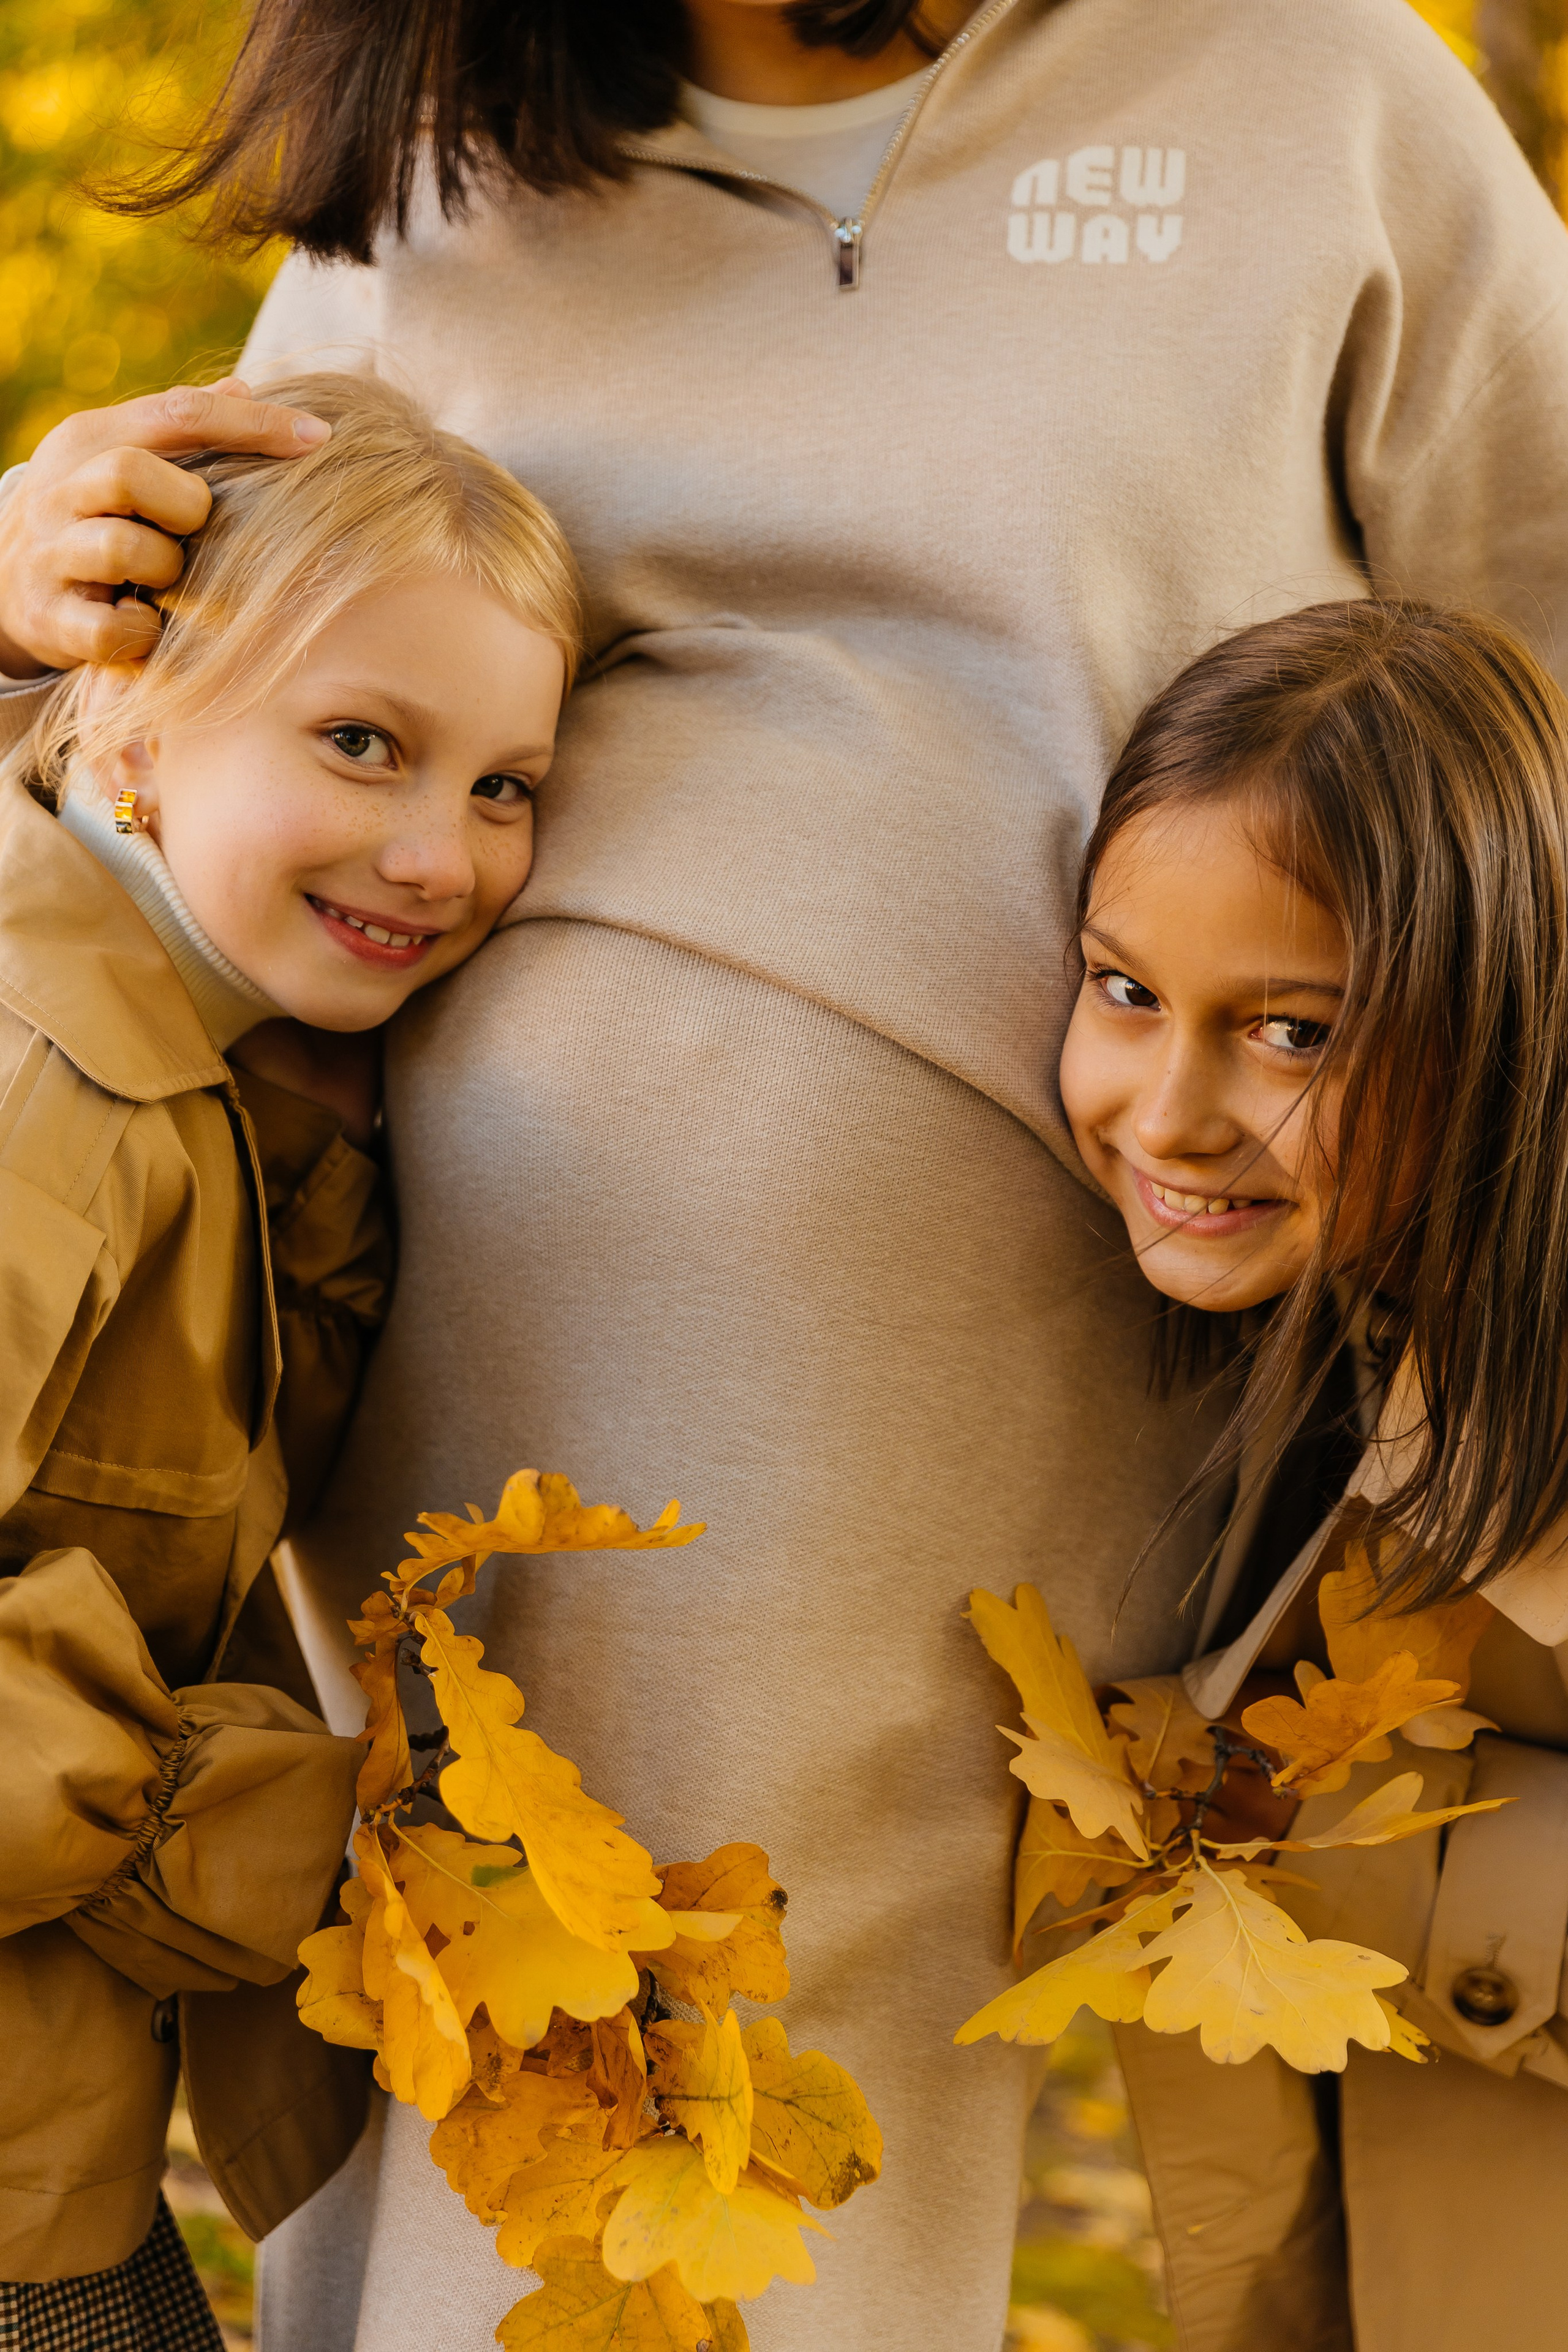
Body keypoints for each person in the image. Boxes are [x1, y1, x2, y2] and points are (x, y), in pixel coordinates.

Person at [3, 4, 1568, 2346]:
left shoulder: (1312, 94)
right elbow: (205, 703)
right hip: (461, 1411)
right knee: (491, 2095)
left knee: (822, 2156)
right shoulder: (439, 163)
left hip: (1056, 1402)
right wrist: (34, 588)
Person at [0, 372, 576, 2348]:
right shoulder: (40, 1096)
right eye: (362, 745)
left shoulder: (213, 1074)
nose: (443, 855)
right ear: (139, 716)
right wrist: (224, 1828)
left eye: (506, 787)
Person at [1058, 597, 1568, 2352]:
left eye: (1292, 1033)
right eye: (1125, 993)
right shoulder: (1331, 1326)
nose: (1169, 1109)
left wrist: (1311, 1857)